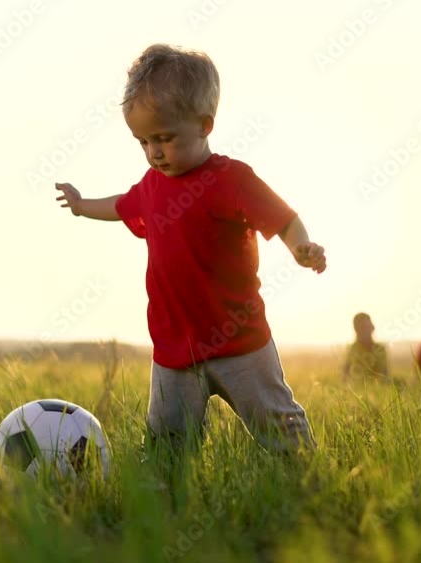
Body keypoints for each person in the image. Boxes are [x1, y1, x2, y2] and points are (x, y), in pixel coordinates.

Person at [54, 44, 326, 456]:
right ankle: (169, 500)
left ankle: (308, 479)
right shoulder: (151, 186)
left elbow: (283, 218)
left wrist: (300, 246)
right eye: (143, 141)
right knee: (168, 446)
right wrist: (80, 206)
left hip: (240, 343)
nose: (153, 152)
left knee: (278, 426)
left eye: (164, 138)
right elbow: (120, 205)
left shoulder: (231, 179)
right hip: (174, 350)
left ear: (204, 125)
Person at [342, 313, 391, 381]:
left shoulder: (379, 349)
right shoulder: (353, 350)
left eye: (369, 327)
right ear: (357, 330)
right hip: (357, 389)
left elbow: (385, 375)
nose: (371, 329)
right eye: (364, 328)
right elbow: (345, 377)